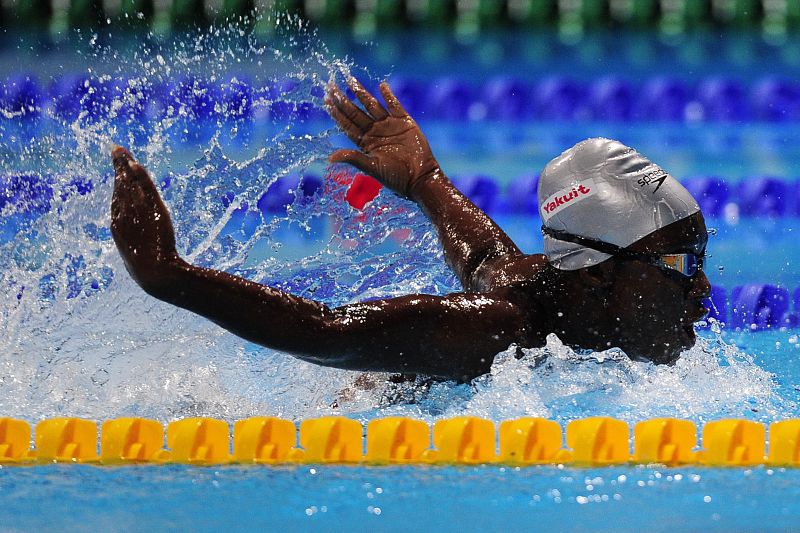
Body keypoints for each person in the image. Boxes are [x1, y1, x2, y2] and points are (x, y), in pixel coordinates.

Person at [110, 77, 710, 383]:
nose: (703, 291)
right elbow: (324, 330)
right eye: (681, 265)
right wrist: (169, 275)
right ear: (597, 272)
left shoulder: (558, 292)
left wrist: (426, 180)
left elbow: (488, 261)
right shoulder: (495, 332)